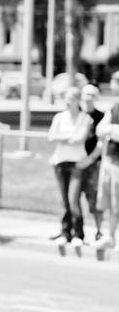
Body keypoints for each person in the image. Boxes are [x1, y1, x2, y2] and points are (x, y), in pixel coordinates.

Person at [46, 86, 92, 248]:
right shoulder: (59, 117)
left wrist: (63, 137)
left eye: (71, 99)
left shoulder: (85, 118)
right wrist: (68, 136)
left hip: (77, 162)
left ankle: (78, 232)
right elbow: (51, 137)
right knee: (64, 198)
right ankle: (66, 231)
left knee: (73, 198)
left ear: (77, 100)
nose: (67, 102)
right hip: (60, 161)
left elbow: (79, 139)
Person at [94, 72, 119, 251]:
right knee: (110, 201)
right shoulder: (115, 107)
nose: (114, 85)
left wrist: (111, 130)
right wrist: (113, 129)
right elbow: (100, 129)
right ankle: (110, 236)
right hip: (110, 159)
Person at [78, 84, 105, 242]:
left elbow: (102, 143)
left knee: (94, 198)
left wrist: (90, 159)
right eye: (86, 94)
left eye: (92, 95)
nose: (88, 98)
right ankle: (76, 232)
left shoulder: (101, 117)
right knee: (73, 198)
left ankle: (99, 230)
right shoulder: (77, 114)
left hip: (94, 164)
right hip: (76, 162)